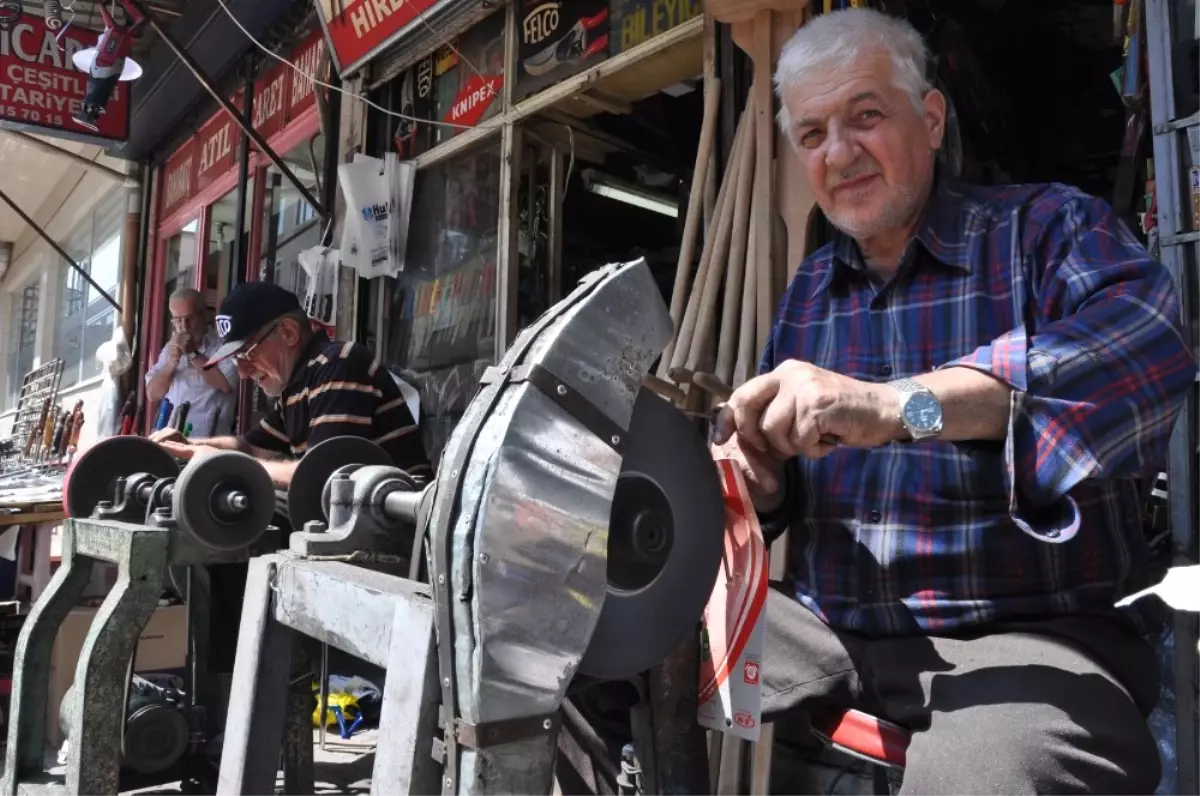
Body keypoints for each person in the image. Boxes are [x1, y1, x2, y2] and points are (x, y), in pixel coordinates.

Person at [559, 9, 1197, 796]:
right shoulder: (810, 294)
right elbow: (781, 493)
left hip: (1029, 637)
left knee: (985, 777)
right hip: (831, 634)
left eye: (866, 116)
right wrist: (760, 482)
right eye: (815, 133)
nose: (840, 152)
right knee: (576, 642)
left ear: (930, 120)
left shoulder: (1049, 230)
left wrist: (897, 406)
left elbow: (1147, 352)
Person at [151, 281, 430, 490]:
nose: (244, 373)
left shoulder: (338, 364)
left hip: (397, 522)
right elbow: (249, 447)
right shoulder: (294, 387)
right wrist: (187, 445)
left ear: (288, 332)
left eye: (246, 356)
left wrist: (217, 462)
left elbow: (323, 474)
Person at [145, 288, 238, 438]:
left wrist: (193, 354)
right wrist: (170, 366)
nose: (184, 326)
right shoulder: (170, 348)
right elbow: (152, 394)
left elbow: (226, 385)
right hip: (170, 438)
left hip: (208, 443)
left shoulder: (222, 345)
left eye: (189, 319)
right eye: (178, 320)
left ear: (204, 315)